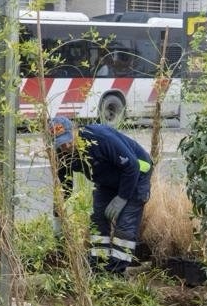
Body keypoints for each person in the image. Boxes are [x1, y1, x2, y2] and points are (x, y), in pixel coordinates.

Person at [48, 114, 151, 274]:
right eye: (61, 143)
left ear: (75, 131)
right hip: (107, 180)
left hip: (136, 175)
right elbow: (64, 185)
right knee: (97, 220)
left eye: (68, 139)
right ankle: (99, 266)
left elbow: (131, 167)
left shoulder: (100, 137)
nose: (66, 145)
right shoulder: (61, 154)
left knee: (124, 227)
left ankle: (116, 272)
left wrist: (122, 197)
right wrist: (58, 215)